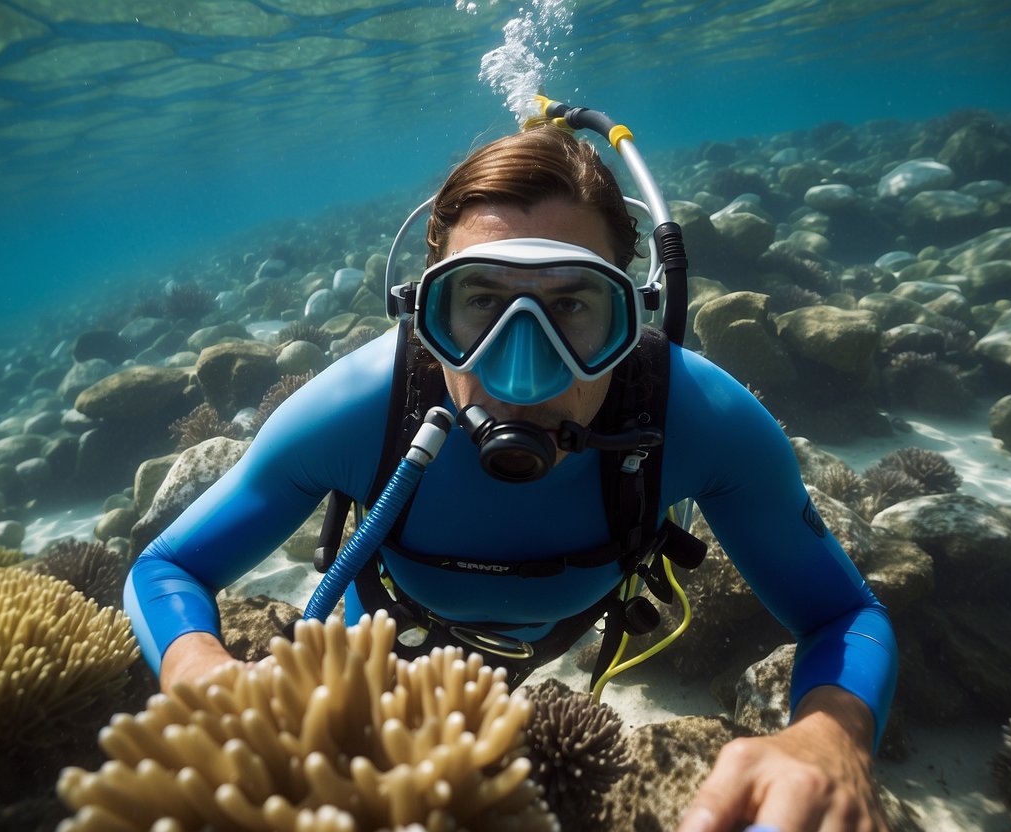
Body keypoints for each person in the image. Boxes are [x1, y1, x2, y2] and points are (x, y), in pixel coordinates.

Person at [126, 122, 897, 832]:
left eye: (572, 306)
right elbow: (167, 567)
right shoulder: (357, 407)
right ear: (425, 312)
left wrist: (831, 737)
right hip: (385, 647)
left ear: (630, 316)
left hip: (560, 641)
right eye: (482, 304)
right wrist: (201, 673)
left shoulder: (703, 418)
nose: (522, 370)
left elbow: (843, 618)